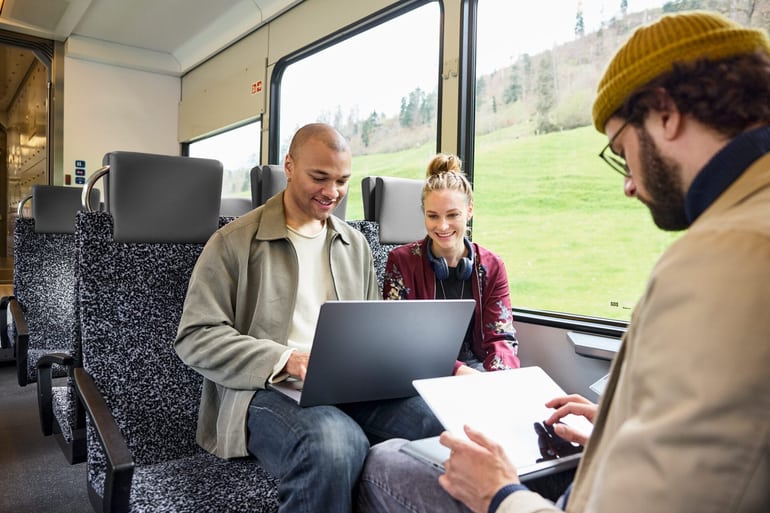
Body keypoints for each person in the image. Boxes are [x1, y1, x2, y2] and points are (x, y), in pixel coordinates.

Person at [356, 11, 770, 513]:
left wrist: (500, 494)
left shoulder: (725, 258)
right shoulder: (735, 244)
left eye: (621, 149)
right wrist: (609, 421)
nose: (629, 183)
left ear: (665, 114)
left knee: (384, 462)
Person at [174, 123, 444, 513]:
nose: (332, 192)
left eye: (342, 181)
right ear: (289, 166)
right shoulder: (234, 242)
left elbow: (369, 329)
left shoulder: (356, 245)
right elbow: (195, 337)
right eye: (320, 177)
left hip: (348, 385)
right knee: (336, 444)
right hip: (262, 390)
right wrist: (287, 360)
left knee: (439, 422)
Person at [382, 154, 520, 375]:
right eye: (433, 216)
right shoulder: (401, 261)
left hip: (477, 369)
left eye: (452, 214)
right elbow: (402, 338)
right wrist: (459, 371)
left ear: (469, 211)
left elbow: (501, 336)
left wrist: (498, 379)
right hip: (420, 369)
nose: (442, 226)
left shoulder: (492, 266)